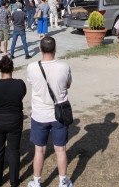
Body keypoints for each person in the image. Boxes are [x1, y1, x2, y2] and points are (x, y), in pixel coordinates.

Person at [26, 36, 73, 187]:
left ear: (40, 49)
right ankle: (62, 182)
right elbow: (68, 85)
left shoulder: (32, 67)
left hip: (40, 114)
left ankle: (37, 181)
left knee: (39, 150)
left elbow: (32, 83)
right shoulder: (64, 67)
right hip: (59, 114)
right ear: (55, 49)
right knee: (60, 150)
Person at [0, 56, 26, 187]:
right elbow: (21, 96)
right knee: (14, 150)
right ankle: (14, 181)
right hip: (14, 119)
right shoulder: (19, 84)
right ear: (12, 68)